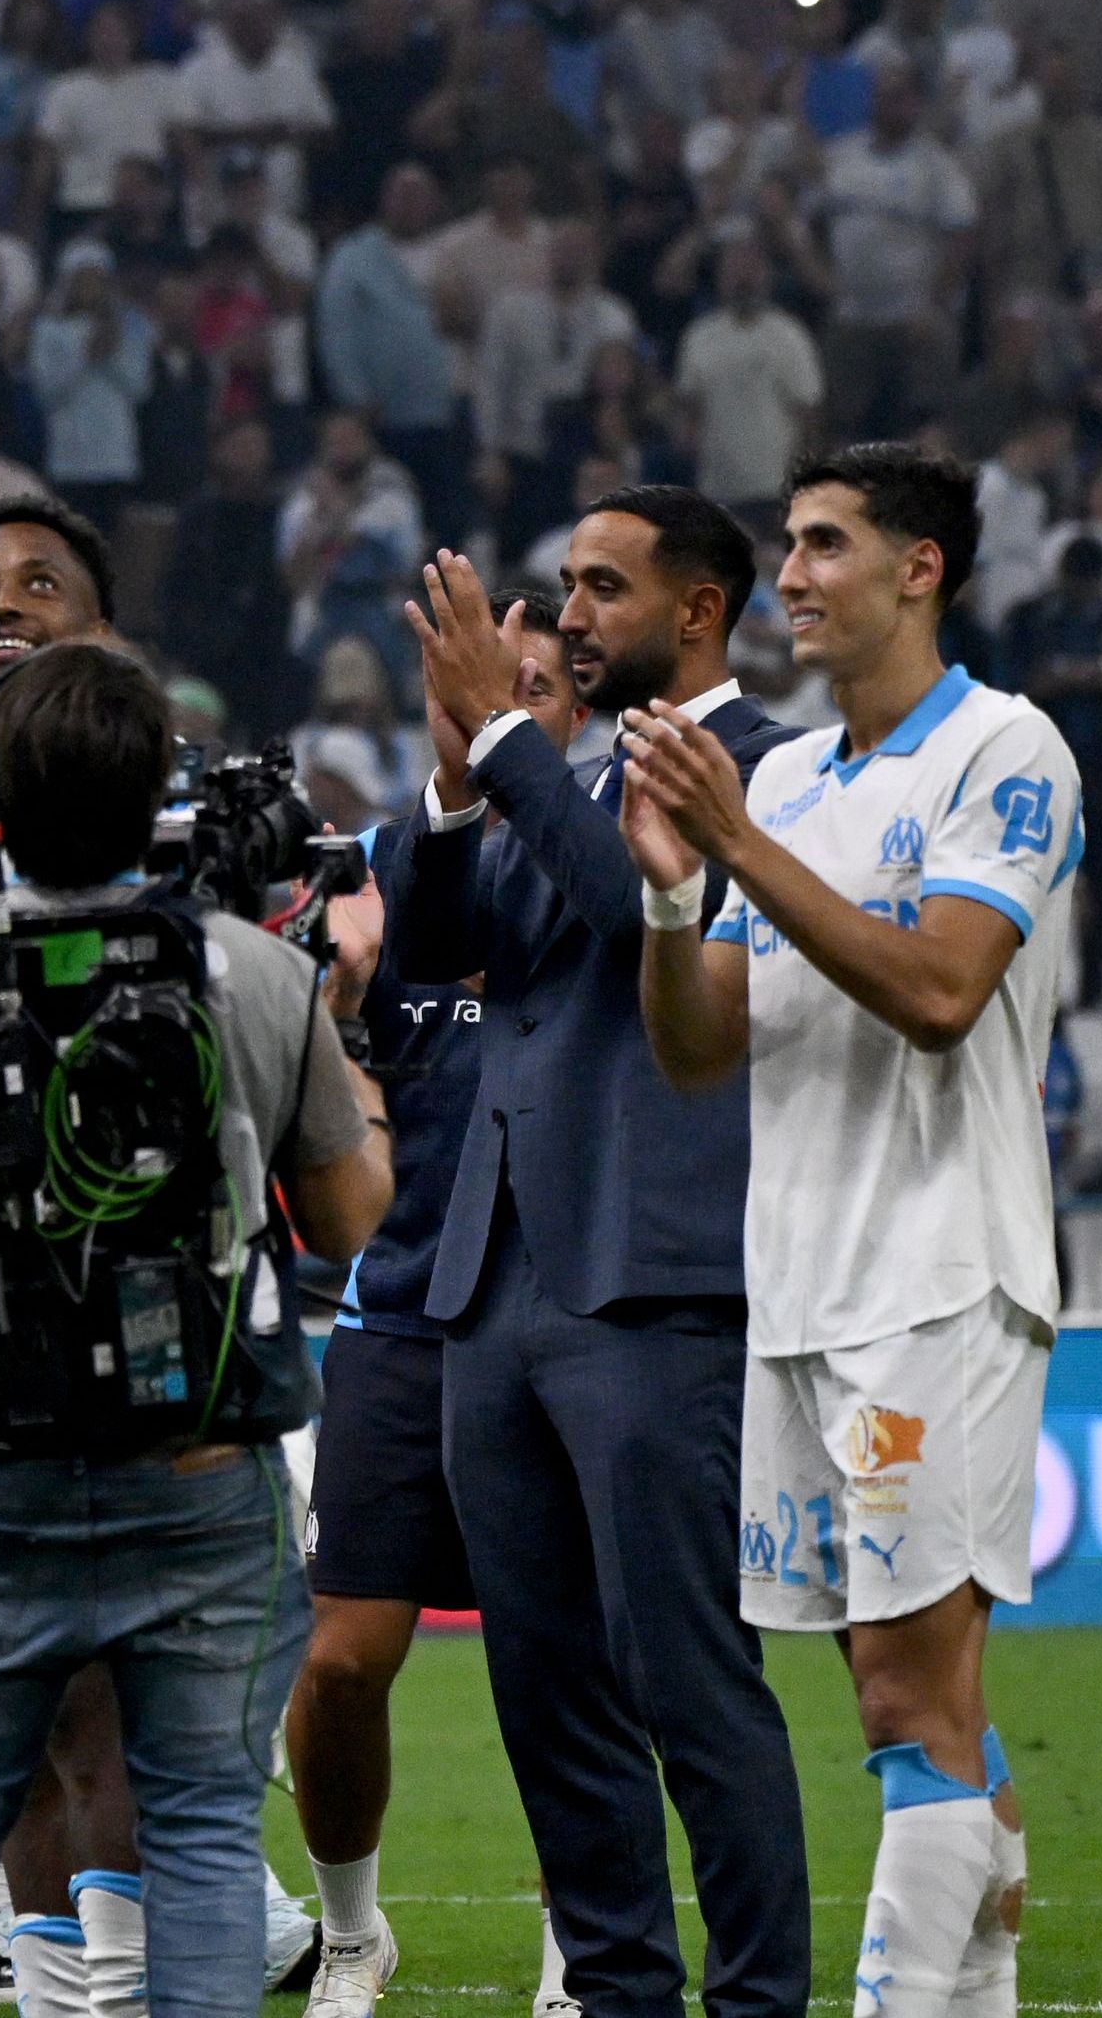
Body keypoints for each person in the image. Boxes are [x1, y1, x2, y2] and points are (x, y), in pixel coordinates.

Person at [0, 644, 391, 2018]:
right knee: (195, 1821)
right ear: (156, 798)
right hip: (196, 1464)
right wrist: (346, 1043)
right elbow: (346, 1212)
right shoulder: (250, 971)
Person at [626, 445, 1081, 2018]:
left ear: (920, 568)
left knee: (904, 1692)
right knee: (918, 1703)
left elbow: (945, 993)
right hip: (800, 1287)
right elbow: (700, 1048)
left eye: (824, 544)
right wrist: (678, 893)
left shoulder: (1006, 749)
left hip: (940, 1270)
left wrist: (738, 841)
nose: (793, 575)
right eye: (786, 544)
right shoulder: (799, 779)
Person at [382, 501, 810, 2018]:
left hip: (653, 1269)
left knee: (687, 1674)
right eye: (563, 583)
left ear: (699, 610)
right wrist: (451, 780)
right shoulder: (539, 771)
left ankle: (758, 2000)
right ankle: (623, 1993)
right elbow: (433, 954)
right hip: (493, 1277)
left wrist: (500, 743)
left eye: (600, 587)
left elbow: (649, 905)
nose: (567, 611)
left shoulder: (769, 763)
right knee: (546, 1690)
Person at [281, 594, 558, 2018]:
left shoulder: (596, 857)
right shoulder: (382, 865)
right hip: (400, 1308)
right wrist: (333, 1012)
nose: (478, 707)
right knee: (340, 1661)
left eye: (514, 687)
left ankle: (583, 1935)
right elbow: (329, 1106)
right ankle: (349, 1928)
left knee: (564, 1659)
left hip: (560, 1308)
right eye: (461, 687)